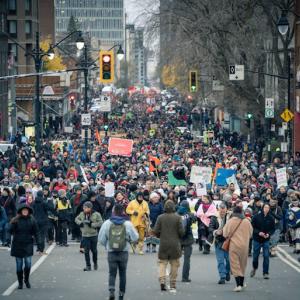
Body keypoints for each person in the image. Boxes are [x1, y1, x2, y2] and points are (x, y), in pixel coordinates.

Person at [98, 203, 139, 300]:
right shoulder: (127, 223)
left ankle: (111, 290)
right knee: (122, 273)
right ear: (123, 212)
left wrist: (107, 245)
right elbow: (135, 237)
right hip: (123, 251)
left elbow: (101, 239)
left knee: (112, 273)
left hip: (111, 251)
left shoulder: (107, 223)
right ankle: (121, 294)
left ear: (113, 211)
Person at [153, 200, 184, 293]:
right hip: (175, 244)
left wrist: (160, 235)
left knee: (162, 263)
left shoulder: (160, 217)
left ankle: (162, 280)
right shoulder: (178, 218)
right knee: (175, 264)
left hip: (163, 244)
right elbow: (181, 232)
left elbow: (156, 231)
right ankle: (173, 284)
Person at [10, 203, 42, 289]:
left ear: (28, 211)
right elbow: (9, 231)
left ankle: (26, 280)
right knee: (19, 265)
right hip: (17, 244)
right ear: (20, 211)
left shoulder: (32, 220)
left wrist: (40, 244)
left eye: (26, 210)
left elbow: (37, 232)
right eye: (23, 210)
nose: (25, 211)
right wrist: (7, 235)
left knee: (28, 264)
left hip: (28, 243)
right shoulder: (15, 220)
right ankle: (20, 282)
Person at [223, 206, 253, 292]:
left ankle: (238, 285)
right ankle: (242, 283)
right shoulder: (247, 221)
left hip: (234, 246)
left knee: (235, 265)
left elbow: (225, 233)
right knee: (243, 264)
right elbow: (251, 233)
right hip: (245, 246)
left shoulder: (231, 221)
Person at [75, 201, 103, 271]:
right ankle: (88, 266)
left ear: (90, 208)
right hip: (85, 235)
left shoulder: (96, 214)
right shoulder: (82, 214)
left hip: (93, 235)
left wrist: (91, 224)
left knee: (94, 251)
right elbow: (76, 219)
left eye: (86, 208)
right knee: (86, 251)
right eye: (83, 207)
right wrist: (80, 223)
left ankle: (95, 263)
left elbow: (100, 223)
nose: (84, 209)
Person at [208, 202, 231, 284]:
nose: (222, 213)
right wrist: (216, 231)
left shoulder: (230, 216)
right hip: (219, 241)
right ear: (218, 210)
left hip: (228, 241)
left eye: (224, 211)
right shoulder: (214, 217)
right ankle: (222, 276)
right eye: (221, 212)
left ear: (226, 210)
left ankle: (227, 272)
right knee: (220, 260)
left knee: (228, 260)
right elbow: (210, 228)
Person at [250, 203, 275, 279]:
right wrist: (258, 232)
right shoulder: (256, 217)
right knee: (255, 256)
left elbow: (273, 229)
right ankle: (254, 268)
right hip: (257, 239)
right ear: (262, 208)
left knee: (266, 256)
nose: (266, 209)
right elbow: (252, 227)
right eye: (265, 207)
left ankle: (265, 273)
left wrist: (268, 234)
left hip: (266, 239)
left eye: (268, 208)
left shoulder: (271, 218)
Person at [177, 200, 197, 283]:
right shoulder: (190, 214)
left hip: (178, 238)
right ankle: (185, 277)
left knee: (175, 258)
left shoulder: (177, 214)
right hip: (188, 238)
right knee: (187, 259)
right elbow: (195, 220)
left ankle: (173, 275)